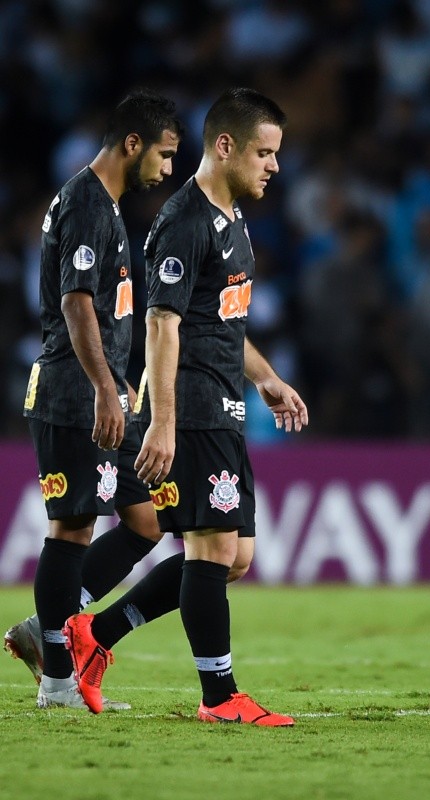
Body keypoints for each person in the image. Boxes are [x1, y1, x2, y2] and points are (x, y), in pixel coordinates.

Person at [63, 88, 308, 727]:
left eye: (276, 154)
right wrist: (164, 422)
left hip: (224, 401)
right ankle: (219, 697)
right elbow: (163, 323)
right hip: (191, 406)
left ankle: (96, 636)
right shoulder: (186, 220)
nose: (273, 166)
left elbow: (219, 323)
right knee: (211, 548)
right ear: (224, 147)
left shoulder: (233, 221)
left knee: (235, 559)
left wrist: (266, 379)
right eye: (264, 152)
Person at [8, 91, 184, 710]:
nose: (168, 170)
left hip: (102, 390)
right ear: (132, 144)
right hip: (73, 393)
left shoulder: (101, 205)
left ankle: (48, 627)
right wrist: (106, 387)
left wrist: (119, 380)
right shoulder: (87, 202)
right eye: (164, 155)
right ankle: (58, 677)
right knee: (72, 528)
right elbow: (75, 303)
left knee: (146, 521)